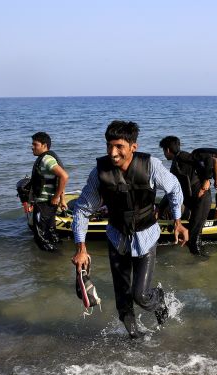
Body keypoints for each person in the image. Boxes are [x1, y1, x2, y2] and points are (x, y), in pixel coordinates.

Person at [72, 121, 189, 339]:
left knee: (141, 295)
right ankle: (135, 344)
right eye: (109, 146)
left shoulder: (151, 165)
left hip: (146, 237)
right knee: (122, 302)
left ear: (132, 147)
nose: (112, 152)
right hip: (117, 239)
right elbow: (81, 209)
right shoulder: (99, 173)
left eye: (118, 146)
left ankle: (159, 300)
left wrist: (178, 221)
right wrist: (81, 248)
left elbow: (174, 188)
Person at [159, 136, 216, 256]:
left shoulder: (183, 156)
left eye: (163, 151)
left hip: (202, 199)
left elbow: (209, 158)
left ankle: (203, 264)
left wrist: (207, 180)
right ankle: (201, 261)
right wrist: (159, 208)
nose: (164, 154)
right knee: (193, 237)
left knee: (193, 239)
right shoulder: (175, 164)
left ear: (168, 150)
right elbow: (172, 191)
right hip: (194, 203)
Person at [19, 132, 69, 252]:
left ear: (44, 145)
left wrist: (57, 197)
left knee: (40, 237)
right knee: (50, 231)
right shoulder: (46, 158)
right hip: (48, 203)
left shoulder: (46, 160)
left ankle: (52, 261)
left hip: (45, 203)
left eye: (35, 144)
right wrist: (61, 200)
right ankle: (59, 257)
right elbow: (56, 180)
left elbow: (64, 176)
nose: (32, 147)